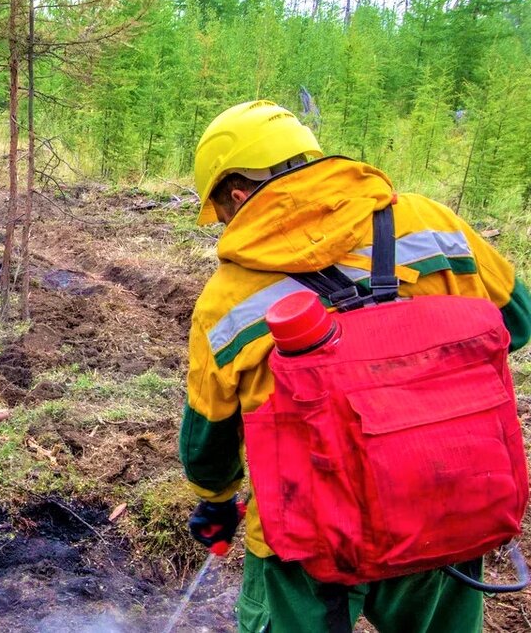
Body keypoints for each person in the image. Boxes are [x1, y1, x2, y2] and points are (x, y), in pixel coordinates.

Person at [181, 100, 531, 632]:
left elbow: (208, 442)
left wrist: (217, 501)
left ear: (237, 193)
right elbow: (518, 323)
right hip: (443, 503)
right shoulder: (433, 224)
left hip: (307, 539)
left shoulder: (226, 301)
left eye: (223, 213)